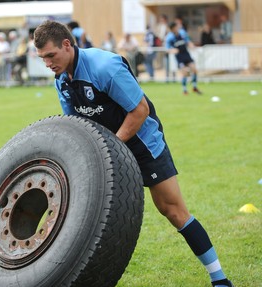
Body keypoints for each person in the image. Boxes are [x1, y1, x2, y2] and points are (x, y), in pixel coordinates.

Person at [33, 20, 234, 287]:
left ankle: (219, 279)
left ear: (67, 45)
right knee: (82, 214)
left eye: (51, 55)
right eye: (42, 58)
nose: (47, 63)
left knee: (173, 211)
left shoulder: (106, 67)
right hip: (107, 149)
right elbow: (77, 126)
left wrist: (112, 148)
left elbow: (140, 111)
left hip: (142, 143)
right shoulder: (61, 80)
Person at [165, 22, 202, 95]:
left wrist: (192, 46)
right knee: (184, 72)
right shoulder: (169, 37)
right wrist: (173, 50)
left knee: (194, 69)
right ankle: (184, 90)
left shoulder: (182, 33)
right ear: (172, 29)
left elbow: (187, 41)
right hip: (179, 57)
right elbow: (167, 49)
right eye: (174, 28)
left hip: (186, 54)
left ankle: (194, 87)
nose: (176, 29)